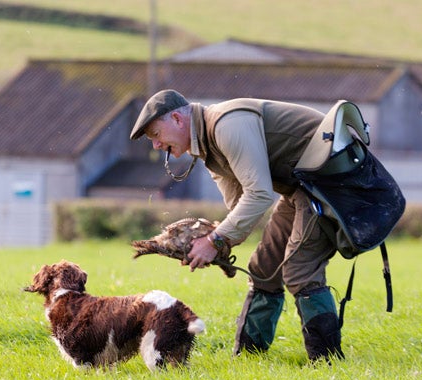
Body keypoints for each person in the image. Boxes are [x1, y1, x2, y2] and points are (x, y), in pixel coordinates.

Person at [130, 89, 345, 362]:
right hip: (302, 189)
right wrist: (212, 246)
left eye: (156, 135)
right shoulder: (208, 150)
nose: (156, 146)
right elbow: (241, 210)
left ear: (177, 119)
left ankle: (328, 363)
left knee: (299, 270)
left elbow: (260, 195)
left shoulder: (226, 125)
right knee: (264, 269)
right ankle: (249, 358)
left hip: (333, 182)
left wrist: (214, 241)